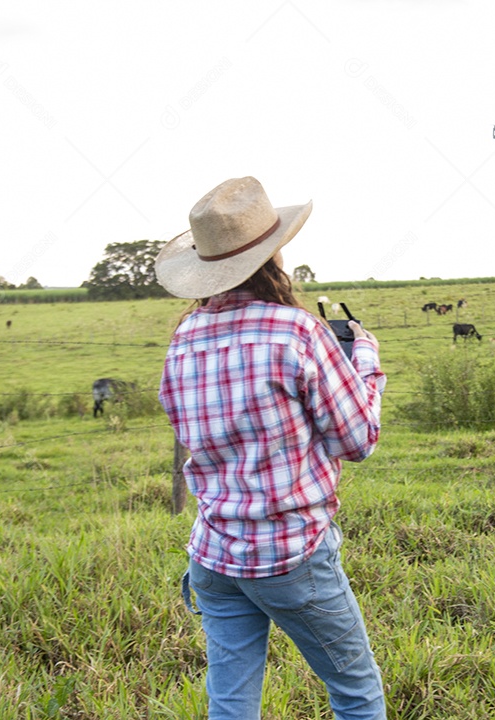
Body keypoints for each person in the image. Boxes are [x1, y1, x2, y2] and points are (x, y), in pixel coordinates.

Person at [155, 176, 387, 719]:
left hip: (214, 550)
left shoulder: (183, 339)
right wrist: (366, 362)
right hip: (289, 550)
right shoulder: (298, 331)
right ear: (273, 256)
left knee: (231, 700)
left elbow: (194, 434)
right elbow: (356, 441)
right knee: (357, 692)